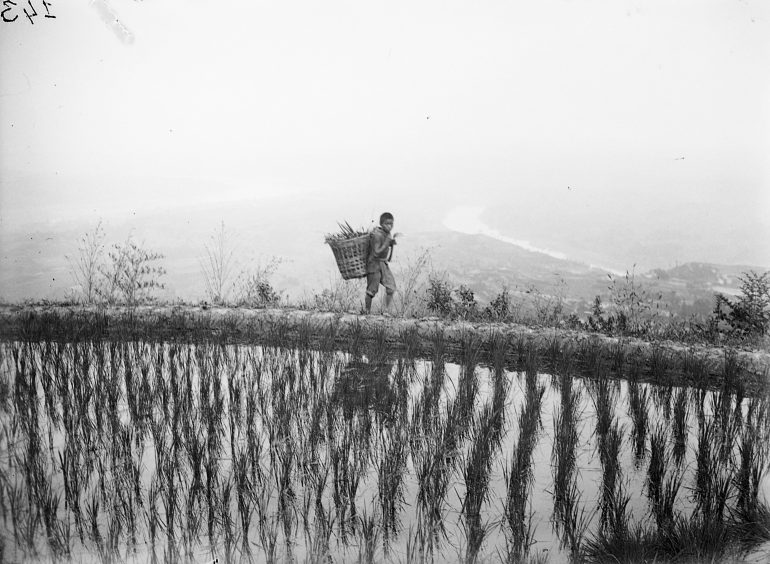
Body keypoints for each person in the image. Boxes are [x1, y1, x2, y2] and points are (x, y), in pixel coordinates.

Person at [364, 212, 397, 314]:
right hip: (374, 265)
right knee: (371, 290)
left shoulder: (387, 234)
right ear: (381, 224)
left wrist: (391, 245)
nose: (390, 226)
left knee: (391, 287)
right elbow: (376, 252)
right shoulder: (377, 235)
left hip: (383, 264)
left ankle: (386, 311)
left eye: (391, 224)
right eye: (387, 224)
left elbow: (387, 256)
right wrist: (387, 243)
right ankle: (367, 311)